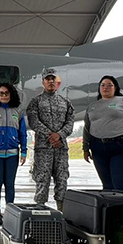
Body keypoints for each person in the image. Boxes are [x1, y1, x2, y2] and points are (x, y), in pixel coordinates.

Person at [25, 67, 74, 210]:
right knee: (42, 179)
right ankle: (40, 210)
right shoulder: (36, 102)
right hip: (43, 149)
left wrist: (59, 135)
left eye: (53, 79)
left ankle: (61, 210)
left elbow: (70, 122)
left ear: (56, 82)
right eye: (48, 79)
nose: (51, 81)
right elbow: (34, 121)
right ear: (43, 82)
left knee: (62, 179)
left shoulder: (65, 102)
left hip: (61, 149)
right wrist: (50, 135)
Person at [83, 75, 123, 192]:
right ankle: (109, 210)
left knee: (121, 184)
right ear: (99, 88)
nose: (106, 87)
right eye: (103, 85)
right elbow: (87, 128)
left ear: (115, 88)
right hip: (98, 149)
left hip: (120, 147)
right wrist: (85, 148)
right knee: (107, 185)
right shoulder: (92, 106)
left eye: (109, 85)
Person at [0, 82, 27, 225]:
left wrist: (24, 152)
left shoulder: (18, 112)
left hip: (12, 155)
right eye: (1, 93)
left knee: (10, 184)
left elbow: (23, 133)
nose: (3, 96)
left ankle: (10, 212)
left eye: (6, 93)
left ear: (11, 94)